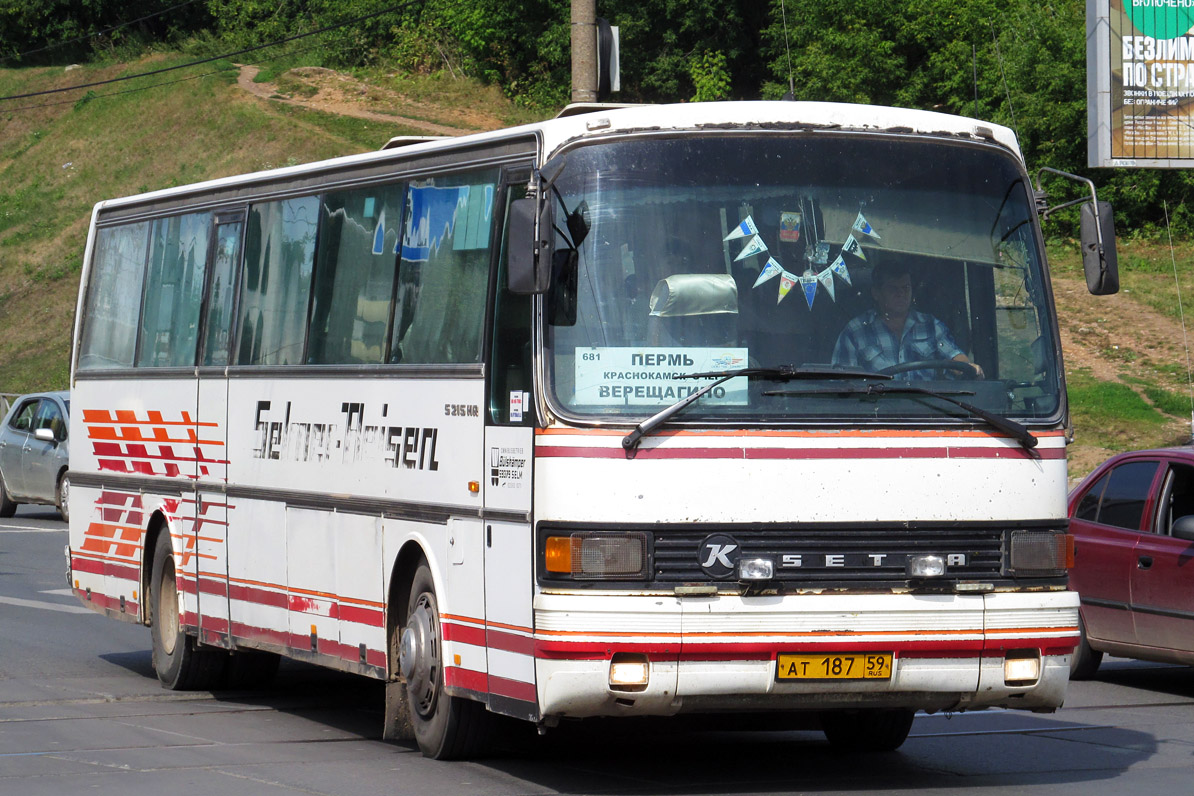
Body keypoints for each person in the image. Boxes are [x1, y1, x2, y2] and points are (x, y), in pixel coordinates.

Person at [831, 261, 983, 379]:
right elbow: (842, 383)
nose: (901, 294)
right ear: (876, 293)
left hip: (929, 411)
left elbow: (954, 356)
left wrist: (969, 367)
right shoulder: (855, 332)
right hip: (876, 414)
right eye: (893, 289)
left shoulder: (930, 325)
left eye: (906, 288)